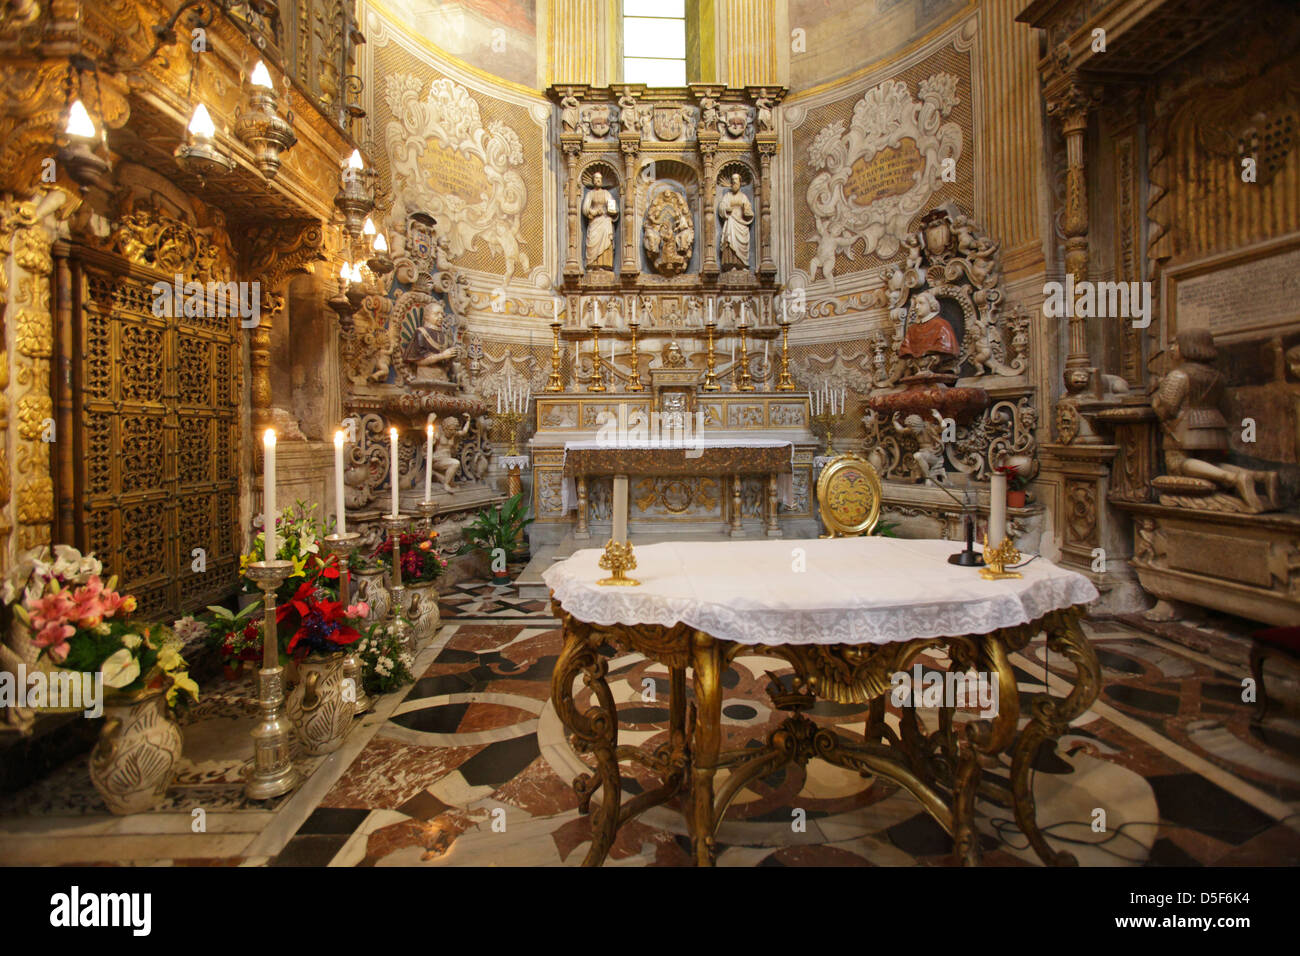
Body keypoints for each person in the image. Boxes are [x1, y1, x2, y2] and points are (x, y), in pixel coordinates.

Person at [717, 173, 753, 271]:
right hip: (731, 221)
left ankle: (742, 265)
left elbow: (748, 209)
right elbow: (722, 206)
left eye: (736, 180)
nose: (734, 182)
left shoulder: (743, 197)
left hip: (741, 223)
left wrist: (747, 211)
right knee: (730, 241)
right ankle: (731, 265)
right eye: (733, 180)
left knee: (741, 244)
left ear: (740, 182)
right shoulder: (728, 196)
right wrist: (726, 208)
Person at [582, 172, 617, 270]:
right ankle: (593, 265)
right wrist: (594, 211)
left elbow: (613, 207)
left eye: (600, 179)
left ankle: (605, 264)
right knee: (593, 241)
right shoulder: (590, 194)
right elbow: (585, 208)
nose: (598, 180)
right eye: (596, 179)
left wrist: (610, 210)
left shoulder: (606, 193)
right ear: (593, 181)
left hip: (605, 220)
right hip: (595, 221)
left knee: (606, 241)